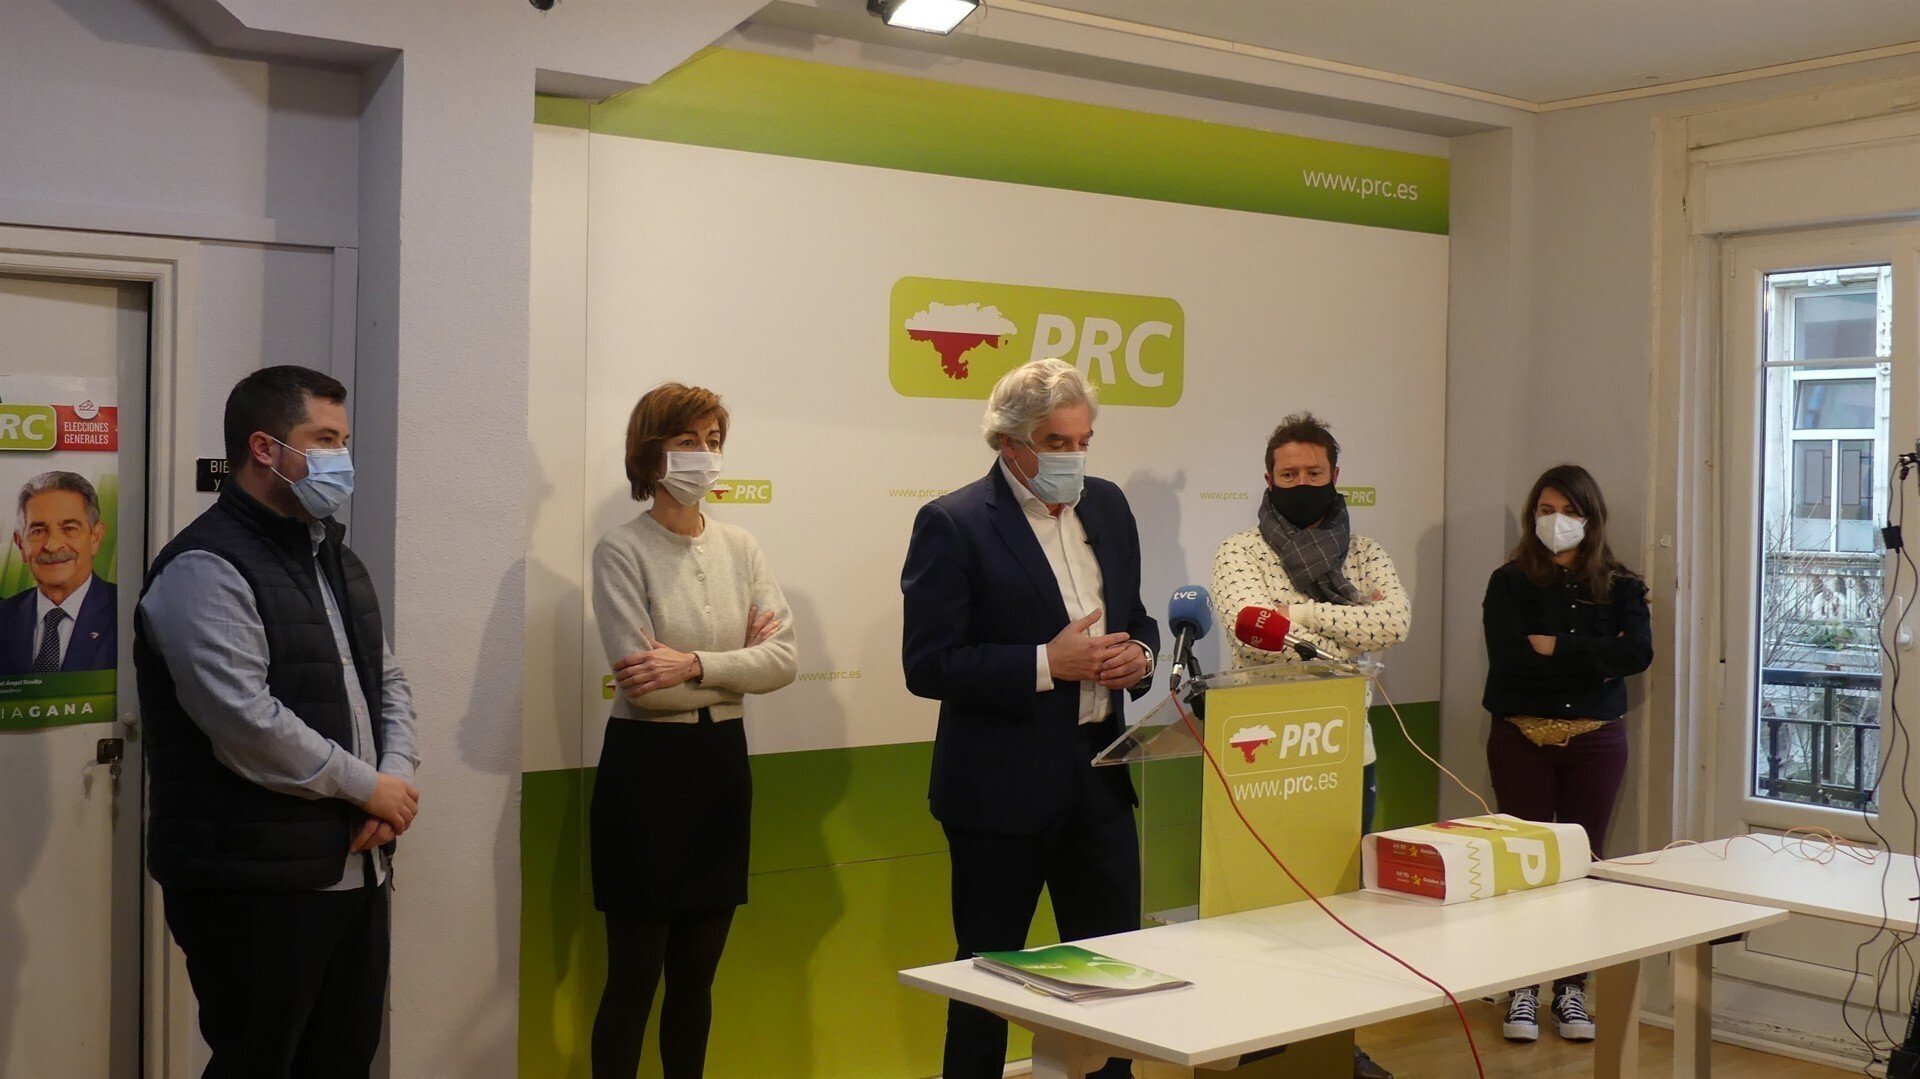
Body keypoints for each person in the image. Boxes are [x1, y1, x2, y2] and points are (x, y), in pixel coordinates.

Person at [135, 365, 420, 1078]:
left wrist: (394, 781)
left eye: (343, 440)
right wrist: (369, 788)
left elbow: (385, 682)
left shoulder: (335, 557)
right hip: (253, 880)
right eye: (324, 439)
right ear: (265, 448)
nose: (341, 457)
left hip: (355, 866)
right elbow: (245, 723)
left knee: (343, 1060)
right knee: (259, 1062)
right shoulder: (204, 565)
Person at [901, 357, 1159, 1079]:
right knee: (986, 978)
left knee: (1114, 973)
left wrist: (1138, 655)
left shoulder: (1108, 506)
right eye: (1056, 442)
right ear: (1009, 442)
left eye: (1083, 441)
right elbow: (929, 663)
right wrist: (1047, 663)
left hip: (1100, 775)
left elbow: (1136, 616)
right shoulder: (954, 523)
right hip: (998, 791)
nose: (1073, 457)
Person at [589, 382, 796, 1079]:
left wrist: (696, 662)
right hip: (646, 772)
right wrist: (738, 664)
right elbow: (647, 690)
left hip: (720, 767)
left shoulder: (742, 546)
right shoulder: (621, 549)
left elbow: (783, 660)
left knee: (696, 978)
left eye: (713, 441)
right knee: (633, 978)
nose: (704, 456)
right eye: (687, 441)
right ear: (651, 453)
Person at [1208, 411, 1409, 1079]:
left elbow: (1394, 621)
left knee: (1339, 913)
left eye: (1313, 472)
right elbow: (1251, 631)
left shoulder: (1364, 551)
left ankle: (1334, 1046)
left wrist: (1297, 613)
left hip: (1349, 758)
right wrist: (1346, 626)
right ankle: (1260, 1047)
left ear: (1335, 475)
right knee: (1262, 919)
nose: (1301, 483)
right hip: (1262, 760)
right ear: (1268, 479)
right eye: (1288, 474)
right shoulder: (1240, 550)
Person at [1483, 464, 1652, 1045]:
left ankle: (1572, 989)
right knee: (1524, 861)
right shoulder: (1509, 582)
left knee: (1585, 860)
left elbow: (1638, 655)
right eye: (1547, 510)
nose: (1558, 521)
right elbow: (1510, 661)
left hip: (1595, 739)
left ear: (1591, 518)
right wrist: (1598, 656)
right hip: (1521, 736)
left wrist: (1557, 646)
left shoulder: (1623, 586)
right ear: (1532, 516)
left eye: (1570, 511)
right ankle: (1522, 986)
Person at [1, 471, 117, 675]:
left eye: (69, 528)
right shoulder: (3, 616)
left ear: (95, 537)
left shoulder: (129, 613)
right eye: (38, 531)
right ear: (20, 545)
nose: (52, 545)